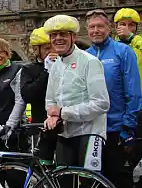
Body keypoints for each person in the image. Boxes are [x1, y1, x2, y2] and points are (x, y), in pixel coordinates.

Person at [85, 10, 141, 188]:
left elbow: (133, 91)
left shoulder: (123, 52)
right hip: (93, 131)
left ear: (109, 28)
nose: (96, 31)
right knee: (100, 185)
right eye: (91, 27)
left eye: (100, 26)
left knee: (122, 185)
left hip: (117, 128)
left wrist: (129, 127)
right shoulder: (85, 56)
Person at [43, 15, 109, 170]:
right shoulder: (55, 65)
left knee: (88, 186)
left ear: (73, 37)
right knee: (64, 185)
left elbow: (101, 103)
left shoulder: (90, 62)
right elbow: (50, 100)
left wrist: (63, 112)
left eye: (63, 34)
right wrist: (52, 115)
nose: (58, 39)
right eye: (54, 35)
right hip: (65, 134)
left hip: (90, 133)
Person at [20, 28, 57, 164]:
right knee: (42, 168)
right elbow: (28, 95)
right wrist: (46, 72)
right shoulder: (29, 69)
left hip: (62, 127)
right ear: (38, 50)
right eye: (47, 48)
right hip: (40, 127)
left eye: (53, 46)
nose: (51, 51)